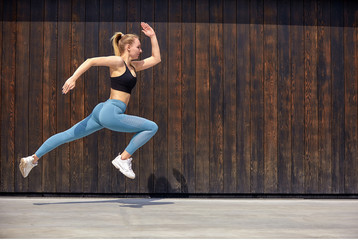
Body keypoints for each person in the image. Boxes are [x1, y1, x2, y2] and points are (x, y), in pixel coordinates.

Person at [19, 22, 161, 180]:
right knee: (151, 127)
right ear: (128, 47)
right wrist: (73, 78)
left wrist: (153, 36)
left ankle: (32, 159)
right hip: (111, 112)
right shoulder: (118, 62)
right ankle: (123, 159)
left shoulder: (133, 66)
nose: (141, 51)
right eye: (138, 47)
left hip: (102, 110)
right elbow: (90, 61)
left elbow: (156, 59)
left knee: (68, 135)